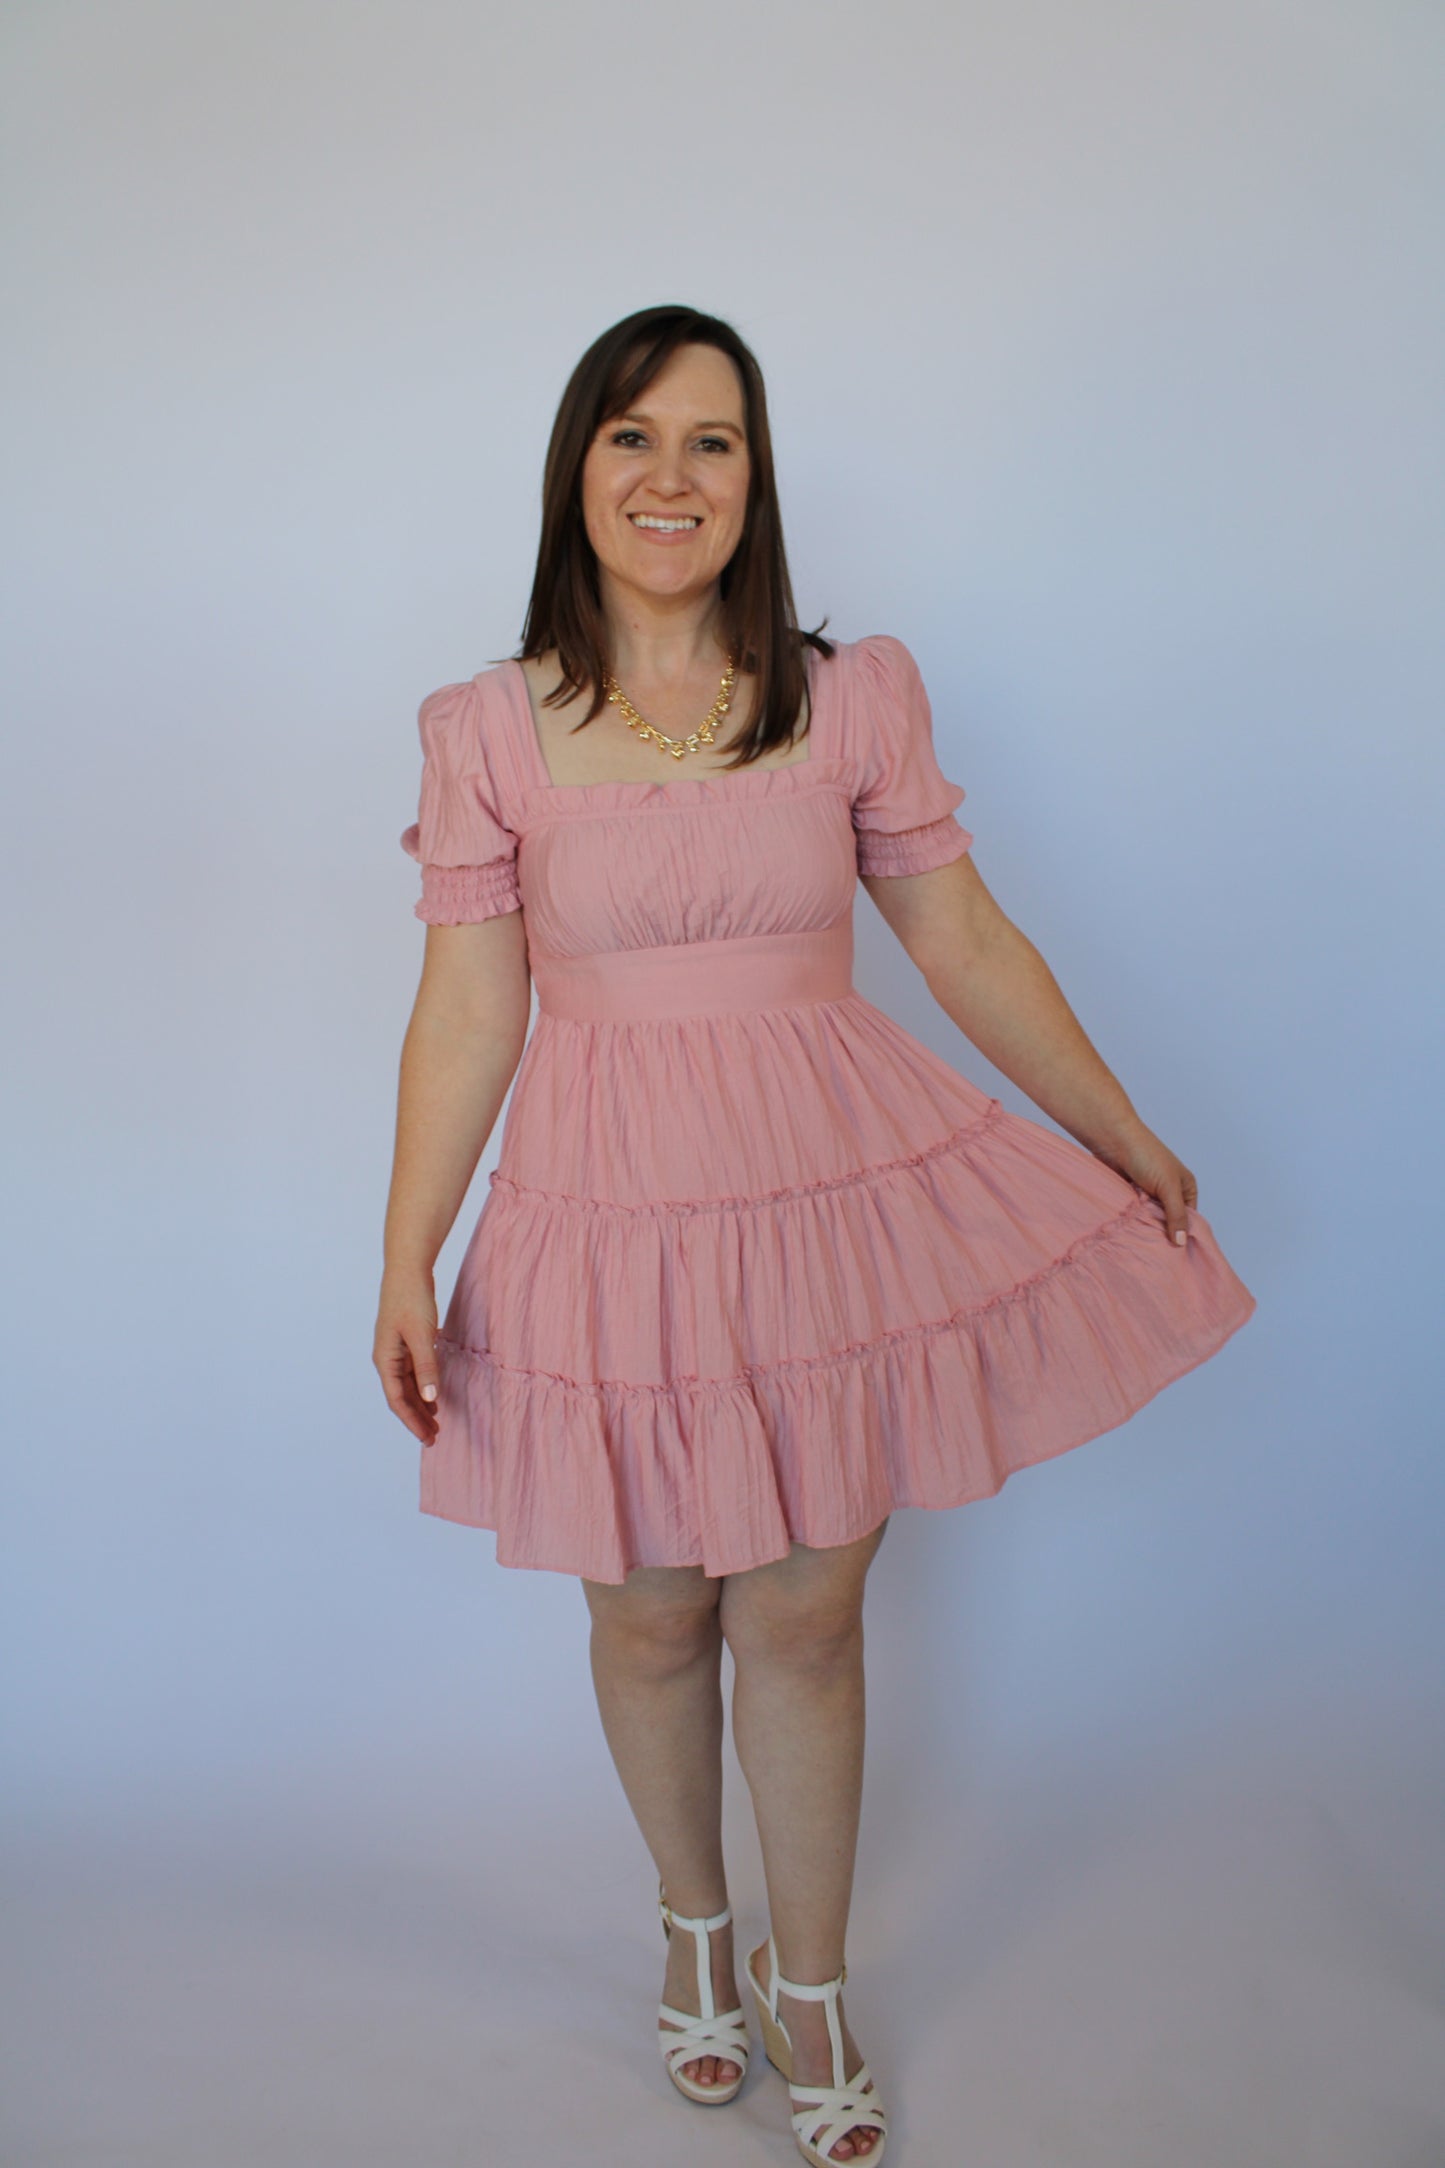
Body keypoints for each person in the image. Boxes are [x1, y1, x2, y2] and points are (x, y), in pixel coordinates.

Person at [374, 304, 1257, 2167]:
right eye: (632, 438)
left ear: (755, 478)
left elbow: (959, 939)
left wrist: (1120, 1130)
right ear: (577, 470)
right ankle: (695, 1935)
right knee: (645, 1608)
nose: (669, 477)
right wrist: (404, 1257)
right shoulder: (487, 727)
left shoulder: (850, 694)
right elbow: (466, 1011)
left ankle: (812, 1979)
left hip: (824, 1195)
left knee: (805, 1609)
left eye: (710, 442)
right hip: (608, 1208)